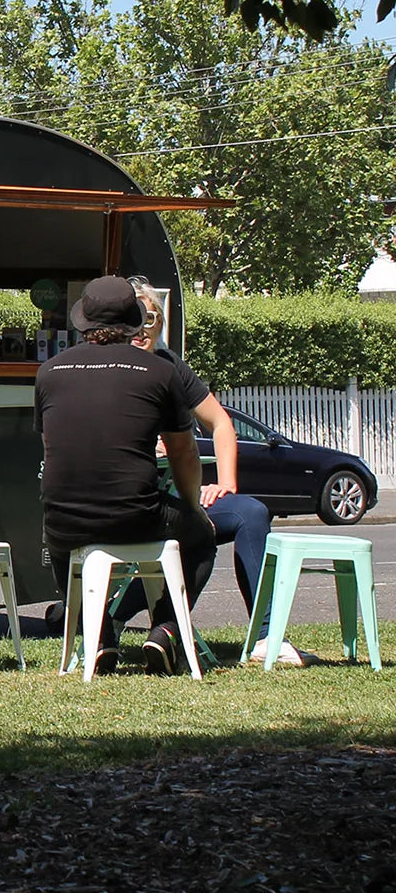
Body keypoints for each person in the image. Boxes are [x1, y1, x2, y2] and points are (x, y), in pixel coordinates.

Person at [111, 276, 318, 666]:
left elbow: (221, 424)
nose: (141, 329)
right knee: (191, 538)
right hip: (130, 500)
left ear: (161, 322)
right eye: (132, 319)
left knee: (249, 513)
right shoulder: (110, 369)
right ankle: (131, 619)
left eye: (150, 317)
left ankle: (266, 637)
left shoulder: (170, 366)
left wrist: (224, 484)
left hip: (177, 496)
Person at [34, 275, 216, 675]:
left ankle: (98, 638)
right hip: (135, 514)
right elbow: (184, 452)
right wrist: (190, 508)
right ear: (134, 322)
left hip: (63, 518)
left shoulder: (50, 372)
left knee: (63, 543)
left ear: (84, 322)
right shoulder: (158, 372)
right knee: (201, 536)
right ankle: (166, 630)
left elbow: (54, 446)